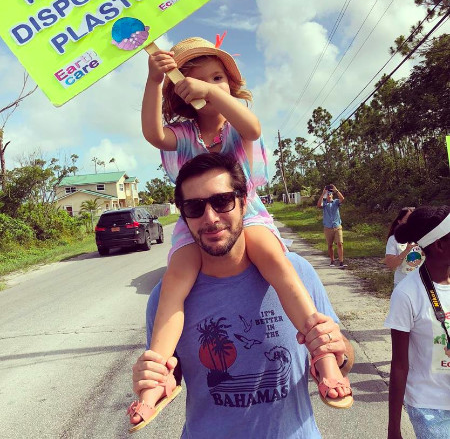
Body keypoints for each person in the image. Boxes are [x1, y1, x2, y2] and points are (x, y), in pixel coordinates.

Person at [128, 37, 353, 431]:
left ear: (231, 85)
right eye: (195, 80)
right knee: (175, 282)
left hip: (248, 214)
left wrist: (211, 92)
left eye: (218, 78)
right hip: (191, 224)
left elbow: (253, 125)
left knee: (279, 266)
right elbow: (152, 133)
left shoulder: (236, 127)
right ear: (180, 90)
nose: (208, 86)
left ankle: (326, 360)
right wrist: (152, 81)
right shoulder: (181, 134)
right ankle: (154, 387)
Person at [132, 153, 355, 438]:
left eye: (222, 201)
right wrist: (152, 378)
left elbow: (346, 358)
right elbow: (172, 374)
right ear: (183, 215)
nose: (210, 218)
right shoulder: (164, 297)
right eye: (194, 207)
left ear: (243, 202)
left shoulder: (297, 271)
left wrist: (339, 355)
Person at [385, 205, 450, 439]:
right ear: (439, 245)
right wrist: (394, 429)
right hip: (430, 408)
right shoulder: (407, 293)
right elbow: (399, 365)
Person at [385, 207, 425, 288]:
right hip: (402, 283)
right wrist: (406, 251)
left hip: (423, 284)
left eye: (413, 220)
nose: (411, 224)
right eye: (407, 220)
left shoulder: (425, 237)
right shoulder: (393, 239)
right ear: (399, 222)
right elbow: (390, 264)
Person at [317, 185, 347, 268]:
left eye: (330, 193)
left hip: (337, 226)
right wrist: (323, 193)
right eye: (328, 193)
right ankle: (332, 261)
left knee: (340, 243)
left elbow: (342, 199)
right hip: (328, 227)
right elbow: (319, 205)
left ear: (332, 195)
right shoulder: (324, 204)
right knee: (330, 245)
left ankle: (341, 262)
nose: (329, 194)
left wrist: (336, 190)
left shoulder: (336, 202)